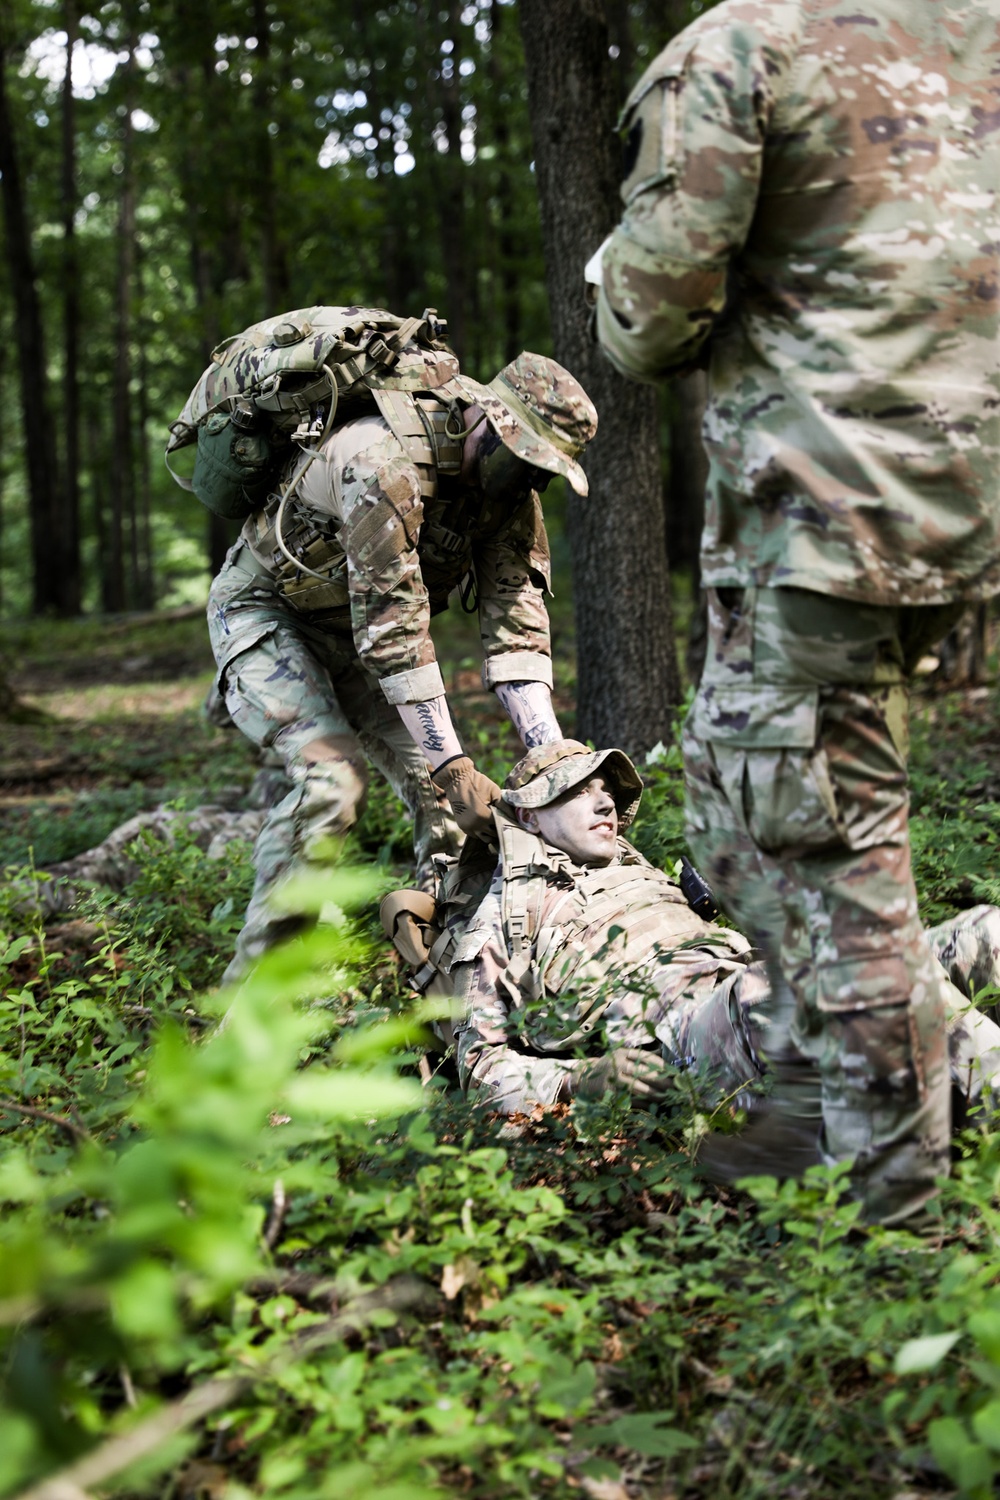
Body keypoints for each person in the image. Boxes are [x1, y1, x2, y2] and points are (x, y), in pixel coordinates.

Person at [590, 0, 1000, 1223]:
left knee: (836, 853)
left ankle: (892, 1218)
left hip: (825, 517)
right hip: (962, 504)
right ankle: (804, 1083)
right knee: (731, 800)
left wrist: (612, 272)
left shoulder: (747, 44)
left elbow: (655, 320)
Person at [206, 313, 597, 983]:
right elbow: (395, 634)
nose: (531, 478)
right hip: (268, 614)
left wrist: (554, 767)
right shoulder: (379, 461)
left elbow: (518, 636)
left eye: (545, 468)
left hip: (357, 639)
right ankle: (254, 1006)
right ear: (488, 421)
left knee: (448, 809)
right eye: (525, 457)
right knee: (333, 785)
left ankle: (451, 986)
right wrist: (454, 765)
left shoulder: (511, 494)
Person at [450, 743, 1000, 1149]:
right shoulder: (506, 915)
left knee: (982, 934)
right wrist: (581, 1078)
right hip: (682, 1037)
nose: (604, 805)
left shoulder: (641, 871)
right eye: (576, 793)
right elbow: (479, 1066)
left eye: (606, 793)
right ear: (527, 815)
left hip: (751, 986)